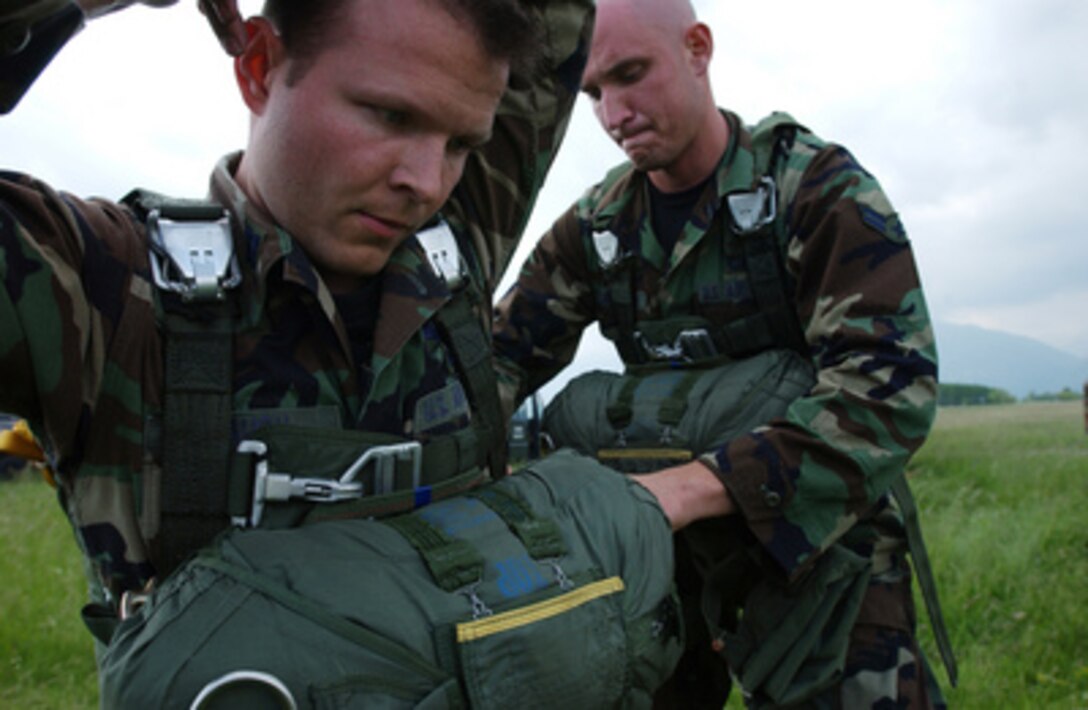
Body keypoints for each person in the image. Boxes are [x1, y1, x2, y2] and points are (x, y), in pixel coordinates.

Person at [0, 0, 593, 638]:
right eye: (390, 115)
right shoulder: (100, 293)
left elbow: (554, 25)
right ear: (257, 69)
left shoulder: (455, 256)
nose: (425, 183)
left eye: (461, 144)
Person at [493, 0, 953, 707]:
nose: (615, 113)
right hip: (661, 568)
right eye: (593, 94)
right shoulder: (598, 228)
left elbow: (888, 389)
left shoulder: (813, 189)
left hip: (818, 554)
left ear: (698, 50)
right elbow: (496, 362)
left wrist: (684, 490)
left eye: (632, 75)